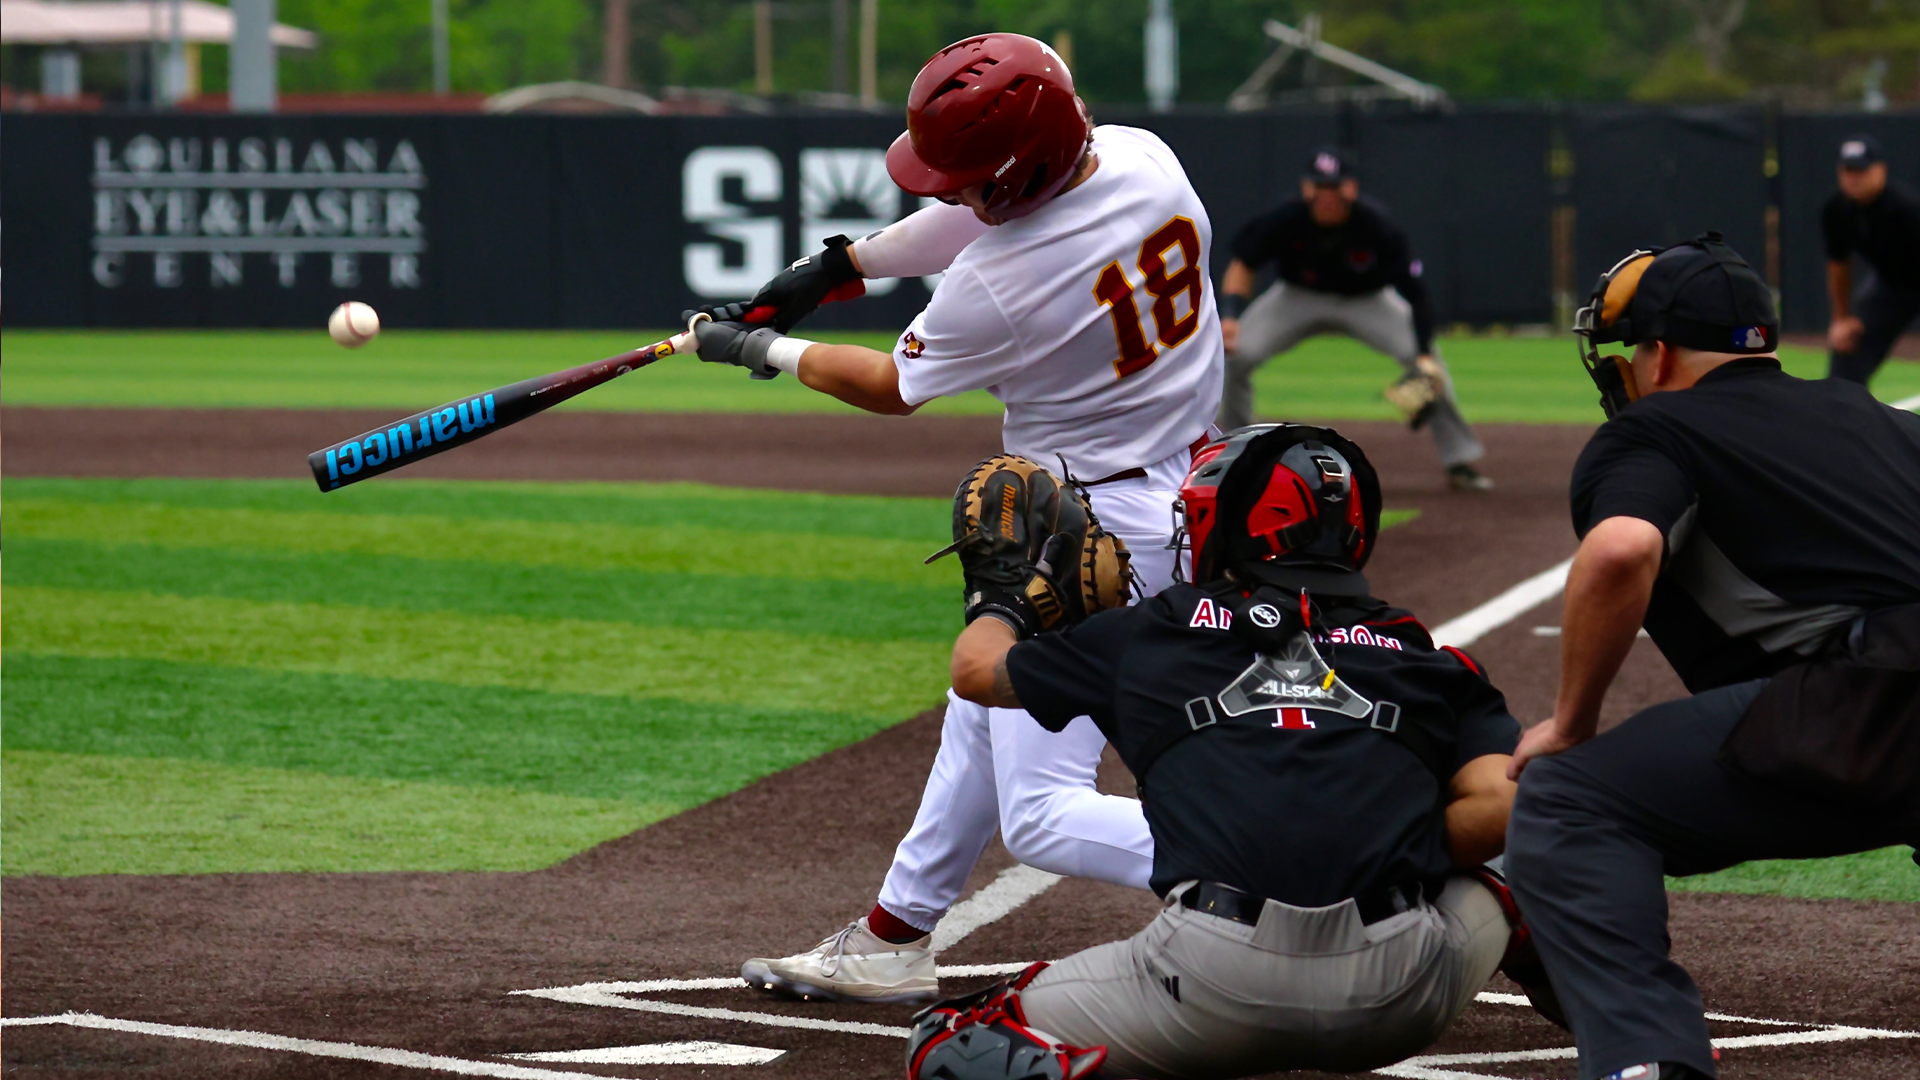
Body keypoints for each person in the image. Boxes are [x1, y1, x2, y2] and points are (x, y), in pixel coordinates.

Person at [690, 32, 1223, 1004]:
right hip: (1178, 487)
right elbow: (970, 219)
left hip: (1083, 532)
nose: (949, 193)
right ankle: (895, 936)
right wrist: (844, 262)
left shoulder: (1002, 285)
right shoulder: (1145, 156)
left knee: (1045, 817)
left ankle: (1274, 865)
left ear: (1016, 180)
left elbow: (896, 385)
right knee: (977, 712)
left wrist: (758, 351)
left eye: (971, 179)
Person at [904, 426, 1539, 1080]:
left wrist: (1010, 590)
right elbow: (1503, 805)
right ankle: (1625, 1042)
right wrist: (1382, 843)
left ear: (1224, 524)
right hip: (1402, 993)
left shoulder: (1145, 637)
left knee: (956, 1047)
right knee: (1541, 838)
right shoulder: (1427, 658)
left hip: (1209, 986)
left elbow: (976, 670)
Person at [1506, 233, 1920, 1080]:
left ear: (1658, 354)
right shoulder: (1876, 416)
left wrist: (1573, 721)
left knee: (1568, 802)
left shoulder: (1655, 430)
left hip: (1871, 705)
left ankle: (1646, 1062)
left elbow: (1620, 552)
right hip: (1893, 708)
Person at [1215, 147, 1493, 492]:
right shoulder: (1285, 218)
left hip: (1368, 300)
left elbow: (1416, 294)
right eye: (1321, 186)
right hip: (1296, 297)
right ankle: (1234, 455)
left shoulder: (1377, 225)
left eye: (1335, 186)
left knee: (1429, 366)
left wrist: (1421, 354)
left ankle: (1459, 460)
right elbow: (1243, 263)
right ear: (1307, 189)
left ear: (1351, 189)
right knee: (1235, 355)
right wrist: (1230, 316)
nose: (1327, 195)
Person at [1823, 134, 1920, 385]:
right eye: (1848, 170)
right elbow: (1839, 265)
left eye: (1862, 170)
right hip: (1892, 286)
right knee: (1848, 345)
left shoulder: (1906, 208)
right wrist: (1841, 319)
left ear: (1881, 170)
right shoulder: (1837, 211)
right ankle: (1844, 417)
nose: (1854, 177)